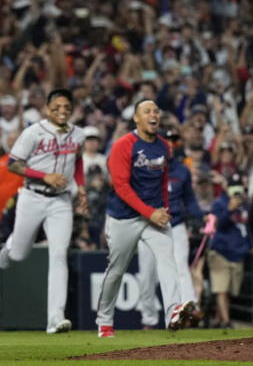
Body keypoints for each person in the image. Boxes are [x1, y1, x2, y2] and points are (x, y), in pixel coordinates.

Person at [96, 99, 194, 338]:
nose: (153, 115)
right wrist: (150, 212)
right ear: (136, 119)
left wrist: (164, 209)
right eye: (147, 111)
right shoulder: (122, 145)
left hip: (154, 217)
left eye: (156, 111)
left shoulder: (164, 147)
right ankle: (105, 320)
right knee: (116, 270)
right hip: (124, 218)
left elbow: (162, 184)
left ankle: (173, 311)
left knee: (168, 259)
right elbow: (121, 187)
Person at [0, 88, 86, 334]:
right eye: (57, 107)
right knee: (19, 255)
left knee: (59, 254)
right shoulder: (33, 131)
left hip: (61, 201)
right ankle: (10, 247)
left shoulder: (78, 134)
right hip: (32, 196)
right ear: (47, 108)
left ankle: (55, 318)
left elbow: (77, 161)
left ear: (72, 110)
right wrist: (44, 176)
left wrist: (83, 190)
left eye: (67, 107)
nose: (62, 111)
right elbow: (14, 164)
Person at [138, 129, 204, 330]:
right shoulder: (146, 166)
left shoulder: (182, 170)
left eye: (174, 141)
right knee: (147, 274)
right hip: (148, 225)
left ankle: (190, 310)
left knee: (180, 267)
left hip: (175, 225)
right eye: (166, 140)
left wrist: (204, 217)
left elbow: (190, 200)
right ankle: (149, 319)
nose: (170, 144)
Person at [208, 173, 253, 328]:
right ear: (227, 187)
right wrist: (229, 210)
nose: (236, 189)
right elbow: (218, 226)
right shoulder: (219, 203)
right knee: (222, 290)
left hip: (238, 253)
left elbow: (246, 230)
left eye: (239, 186)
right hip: (220, 252)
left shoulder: (245, 206)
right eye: (233, 185)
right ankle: (226, 322)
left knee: (232, 292)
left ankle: (218, 320)